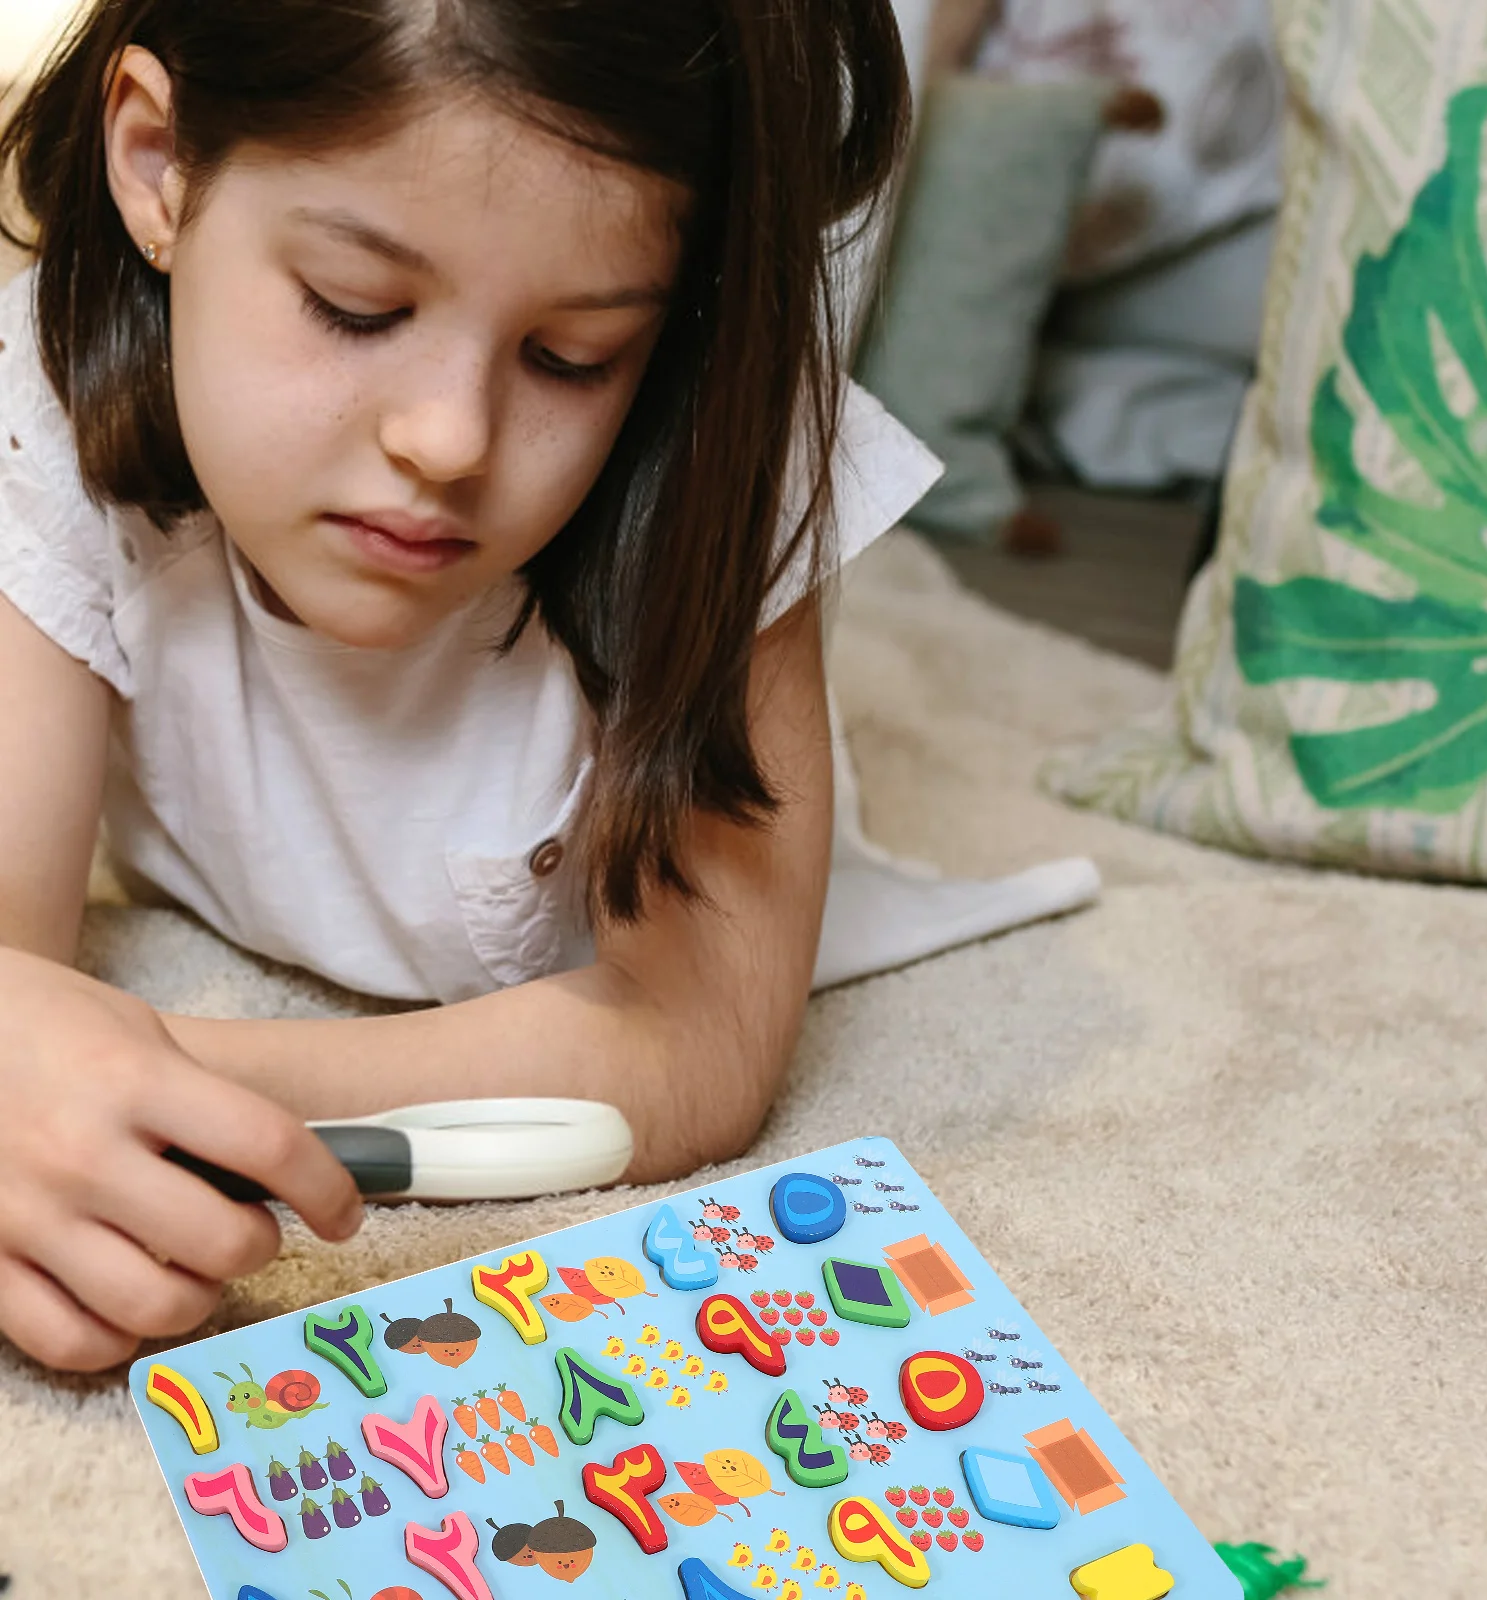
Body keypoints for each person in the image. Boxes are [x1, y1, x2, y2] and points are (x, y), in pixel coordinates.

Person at [0, 0, 939, 1373]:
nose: (448, 439)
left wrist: (159, 1080)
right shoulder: (40, 402)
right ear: (156, 164)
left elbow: (702, 1038)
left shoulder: (722, 440)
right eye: (355, 306)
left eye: (573, 358)